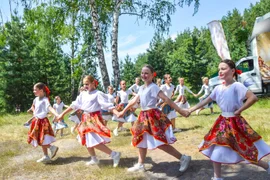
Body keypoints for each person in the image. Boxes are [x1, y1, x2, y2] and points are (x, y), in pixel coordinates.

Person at [189, 60, 270, 180]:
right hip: (222, 122)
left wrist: (239, 110)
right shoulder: (217, 88)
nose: (220, 71)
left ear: (232, 71)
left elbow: (252, 98)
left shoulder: (237, 86)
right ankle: (217, 177)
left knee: (243, 149)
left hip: (235, 123)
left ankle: (267, 166)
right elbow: (205, 101)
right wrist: (190, 110)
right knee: (216, 147)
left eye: (223, 68)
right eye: (219, 69)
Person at [117, 65, 191, 172]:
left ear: (152, 75)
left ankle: (183, 158)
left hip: (152, 116)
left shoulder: (154, 87)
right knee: (141, 139)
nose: (144, 75)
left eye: (146, 73)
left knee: (159, 141)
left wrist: (180, 110)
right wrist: (123, 111)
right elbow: (133, 101)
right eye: (142, 73)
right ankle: (141, 164)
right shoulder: (142, 88)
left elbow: (166, 99)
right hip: (143, 116)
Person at [57, 75, 121, 167]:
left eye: (87, 84)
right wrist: (62, 114)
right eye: (84, 84)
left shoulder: (98, 93)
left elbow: (107, 105)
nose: (85, 86)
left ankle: (114, 154)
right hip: (85, 118)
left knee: (93, 140)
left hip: (94, 118)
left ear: (93, 83)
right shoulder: (83, 94)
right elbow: (74, 105)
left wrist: (116, 112)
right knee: (86, 139)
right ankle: (94, 158)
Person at [27, 82, 59, 163]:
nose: (34, 91)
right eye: (33, 90)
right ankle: (46, 156)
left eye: (35, 90)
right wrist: (34, 112)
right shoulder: (35, 99)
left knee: (42, 139)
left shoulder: (45, 100)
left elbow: (49, 108)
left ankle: (52, 148)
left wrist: (57, 115)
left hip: (42, 122)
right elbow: (33, 106)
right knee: (40, 139)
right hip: (37, 121)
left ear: (41, 90)